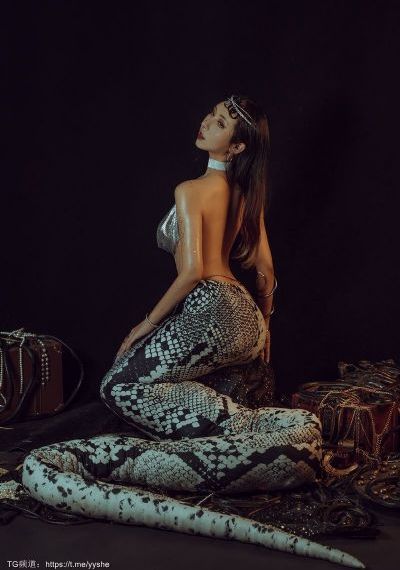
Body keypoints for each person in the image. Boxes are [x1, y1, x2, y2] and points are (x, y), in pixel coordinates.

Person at [12, 95, 359, 568]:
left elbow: (194, 270)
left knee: (118, 386)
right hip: (242, 313)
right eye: (211, 114)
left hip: (211, 306)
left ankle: (239, 426)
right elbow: (266, 271)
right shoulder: (244, 194)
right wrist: (265, 329)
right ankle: (246, 426)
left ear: (236, 147)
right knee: (153, 381)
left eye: (220, 123)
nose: (206, 123)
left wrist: (147, 322)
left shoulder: (191, 190)